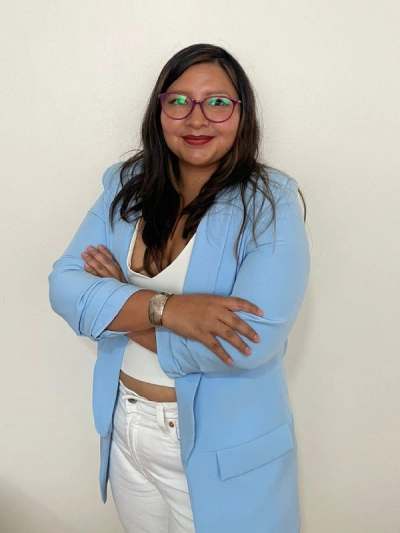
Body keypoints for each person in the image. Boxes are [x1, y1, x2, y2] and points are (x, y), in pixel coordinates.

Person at [48, 43, 310, 533]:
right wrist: (169, 310)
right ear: (160, 109)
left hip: (222, 445)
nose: (196, 118)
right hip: (125, 425)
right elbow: (64, 287)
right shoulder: (127, 184)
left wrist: (117, 302)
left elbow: (247, 343)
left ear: (242, 114)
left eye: (218, 102)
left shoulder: (270, 202)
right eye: (179, 101)